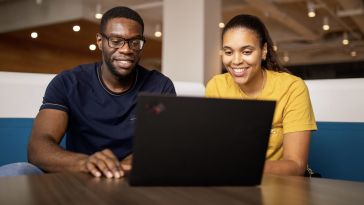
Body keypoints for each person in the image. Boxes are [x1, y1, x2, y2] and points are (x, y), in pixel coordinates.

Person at [0, 6, 175, 178]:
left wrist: (121, 168)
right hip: (79, 176)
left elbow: (158, 144)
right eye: (116, 41)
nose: (126, 49)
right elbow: (38, 148)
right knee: (16, 171)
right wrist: (86, 162)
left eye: (135, 42)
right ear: (100, 41)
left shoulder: (158, 87)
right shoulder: (69, 82)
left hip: (131, 178)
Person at [205, 14, 317, 176]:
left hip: (280, 185)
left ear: (263, 51)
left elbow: (296, 165)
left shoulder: (292, 87)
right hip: (231, 184)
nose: (235, 61)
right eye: (228, 52)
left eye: (247, 51)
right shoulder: (216, 86)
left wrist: (241, 168)